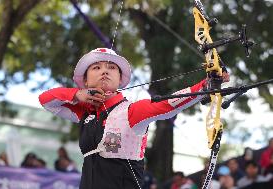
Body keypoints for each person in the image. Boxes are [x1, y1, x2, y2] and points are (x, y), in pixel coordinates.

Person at [39, 48, 229, 189]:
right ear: (86, 80)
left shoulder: (130, 111)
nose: (105, 71)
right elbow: (46, 99)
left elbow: (167, 105)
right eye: (96, 67)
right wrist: (77, 95)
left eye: (111, 68)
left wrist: (206, 85)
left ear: (120, 79)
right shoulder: (86, 112)